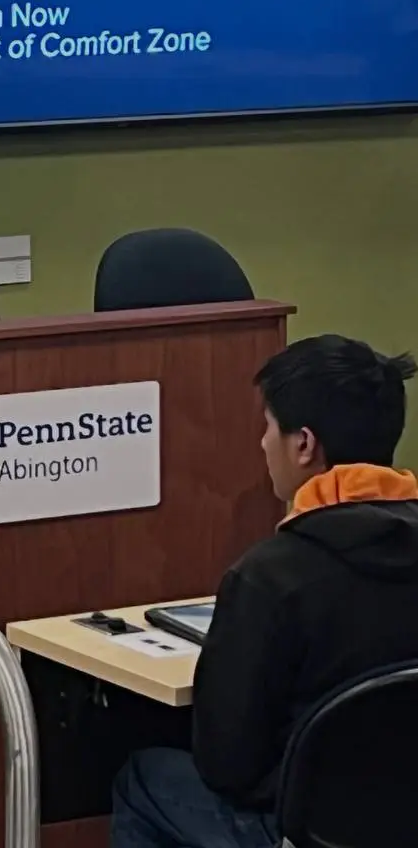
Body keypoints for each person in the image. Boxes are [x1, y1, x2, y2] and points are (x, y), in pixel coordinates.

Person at [112, 334, 418, 848]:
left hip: (305, 828)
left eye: (268, 426)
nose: (261, 443)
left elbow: (227, 766)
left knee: (143, 779)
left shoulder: (271, 576)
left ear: (303, 444)